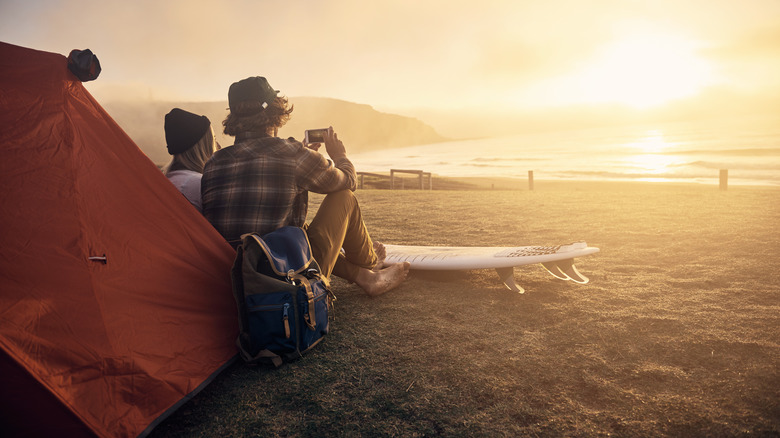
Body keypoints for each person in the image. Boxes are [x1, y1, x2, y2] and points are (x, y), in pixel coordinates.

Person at [201, 76, 409, 296]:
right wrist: (340, 156)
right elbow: (348, 180)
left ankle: (364, 276)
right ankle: (370, 263)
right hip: (288, 282)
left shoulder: (214, 162)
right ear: (275, 111)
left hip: (234, 284)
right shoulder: (291, 154)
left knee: (296, 230)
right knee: (344, 197)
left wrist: (299, 155)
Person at [162, 108, 220, 212]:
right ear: (202, 147)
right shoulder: (198, 184)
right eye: (213, 140)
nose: (218, 146)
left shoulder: (168, 180)